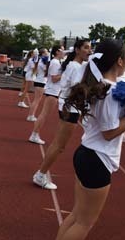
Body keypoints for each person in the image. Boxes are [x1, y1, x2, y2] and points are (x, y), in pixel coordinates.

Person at [47, 39, 125, 240]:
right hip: (97, 160)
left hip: (87, 153)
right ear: (121, 61)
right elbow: (109, 132)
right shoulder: (110, 91)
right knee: (85, 222)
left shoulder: (104, 85)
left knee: (77, 215)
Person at [32, 39, 91, 189]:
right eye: (86, 48)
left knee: (59, 144)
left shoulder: (78, 65)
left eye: (90, 48)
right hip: (69, 106)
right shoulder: (74, 66)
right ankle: (40, 174)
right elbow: (77, 88)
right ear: (77, 50)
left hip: (69, 105)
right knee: (59, 145)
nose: (89, 51)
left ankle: (41, 173)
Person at [28, 46, 64, 145]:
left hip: (53, 90)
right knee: (44, 114)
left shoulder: (55, 62)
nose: (64, 52)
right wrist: (65, 73)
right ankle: (34, 134)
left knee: (44, 114)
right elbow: (54, 79)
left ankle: (35, 134)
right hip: (52, 91)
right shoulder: (55, 63)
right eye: (62, 50)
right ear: (57, 52)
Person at [27, 48, 49, 122]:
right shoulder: (42, 62)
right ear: (42, 54)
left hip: (39, 80)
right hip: (41, 81)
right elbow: (47, 71)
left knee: (37, 100)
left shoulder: (40, 61)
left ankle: (31, 115)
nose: (47, 53)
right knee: (37, 100)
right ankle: (31, 115)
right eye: (46, 52)